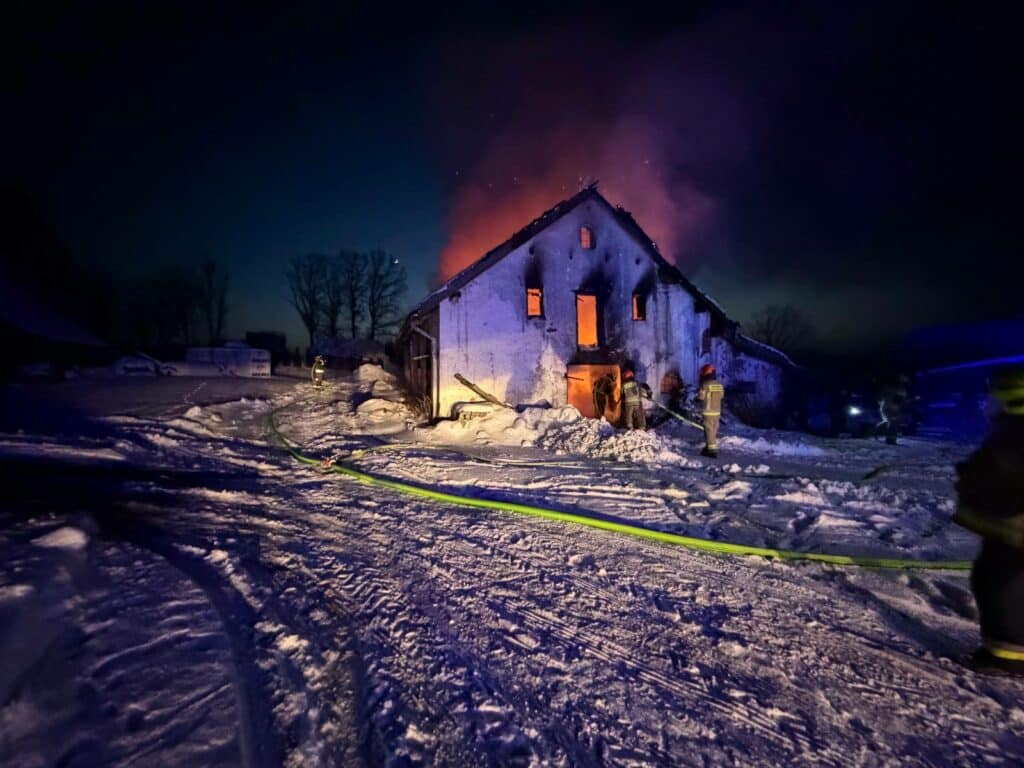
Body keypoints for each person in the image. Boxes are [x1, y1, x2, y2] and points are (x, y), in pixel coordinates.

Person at [953, 366, 1024, 675]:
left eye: (996, 397)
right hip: (1009, 527)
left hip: (1013, 529)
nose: (989, 404)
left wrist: (971, 479)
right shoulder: (1011, 430)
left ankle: (1007, 658)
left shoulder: (1015, 433)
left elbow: (999, 473)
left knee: (1001, 583)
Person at [697, 363, 725, 457]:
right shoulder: (720, 385)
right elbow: (721, 396)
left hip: (707, 411)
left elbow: (701, 397)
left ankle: (711, 451)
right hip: (717, 411)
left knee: (708, 430)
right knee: (713, 430)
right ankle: (708, 447)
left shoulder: (704, 385)